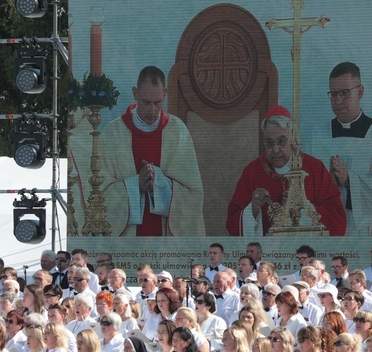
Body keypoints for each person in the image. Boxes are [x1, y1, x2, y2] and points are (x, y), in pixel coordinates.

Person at [98, 65, 205, 236]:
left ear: (165, 94)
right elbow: (98, 195)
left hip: (167, 247)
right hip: (126, 243)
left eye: (157, 103)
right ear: (135, 93)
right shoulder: (113, 133)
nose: (152, 110)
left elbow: (194, 196)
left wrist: (159, 182)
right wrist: (136, 185)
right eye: (147, 102)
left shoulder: (177, 131)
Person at [227, 105, 346, 236]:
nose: (276, 149)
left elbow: (337, 217)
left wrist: (301, 209)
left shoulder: (315, 168)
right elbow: (232, 221)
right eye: (270, 143)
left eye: (281, 141)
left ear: (292, 138)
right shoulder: (252, 172)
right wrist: (252, 210)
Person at [321, 62, 372, 235]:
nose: (338, 100)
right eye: (333, 94)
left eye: (345, 93)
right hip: (328, 229)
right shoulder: (318, 136)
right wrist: (327, 183)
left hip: (365, 231)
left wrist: (350, 181)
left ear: (360, 92)